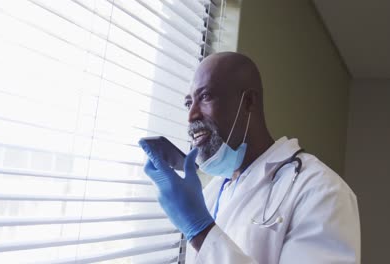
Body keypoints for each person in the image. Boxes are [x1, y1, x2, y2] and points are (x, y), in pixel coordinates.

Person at [141, 52, 360, 263]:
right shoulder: (211, 193)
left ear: (248, 102)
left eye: (205, 97)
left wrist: (200, 231)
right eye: (189, 103)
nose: (191, 115)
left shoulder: (321, 190)